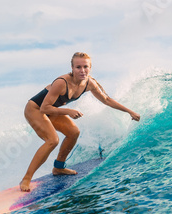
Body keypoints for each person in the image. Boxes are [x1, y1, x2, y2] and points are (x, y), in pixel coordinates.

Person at [19, 52, 140, 192]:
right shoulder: (61, 82)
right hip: (35, 109)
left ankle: (58, 167)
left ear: (90, 68)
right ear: (72, 68)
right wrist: (68, 111)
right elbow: (44, 108)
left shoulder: (89, 83)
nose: (82, 70)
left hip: (51, 110)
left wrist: (129, 111)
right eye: (78, 67)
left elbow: (106, 100)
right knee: (52, 140)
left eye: (85, 67)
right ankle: (26, 179)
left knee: (73, 132)